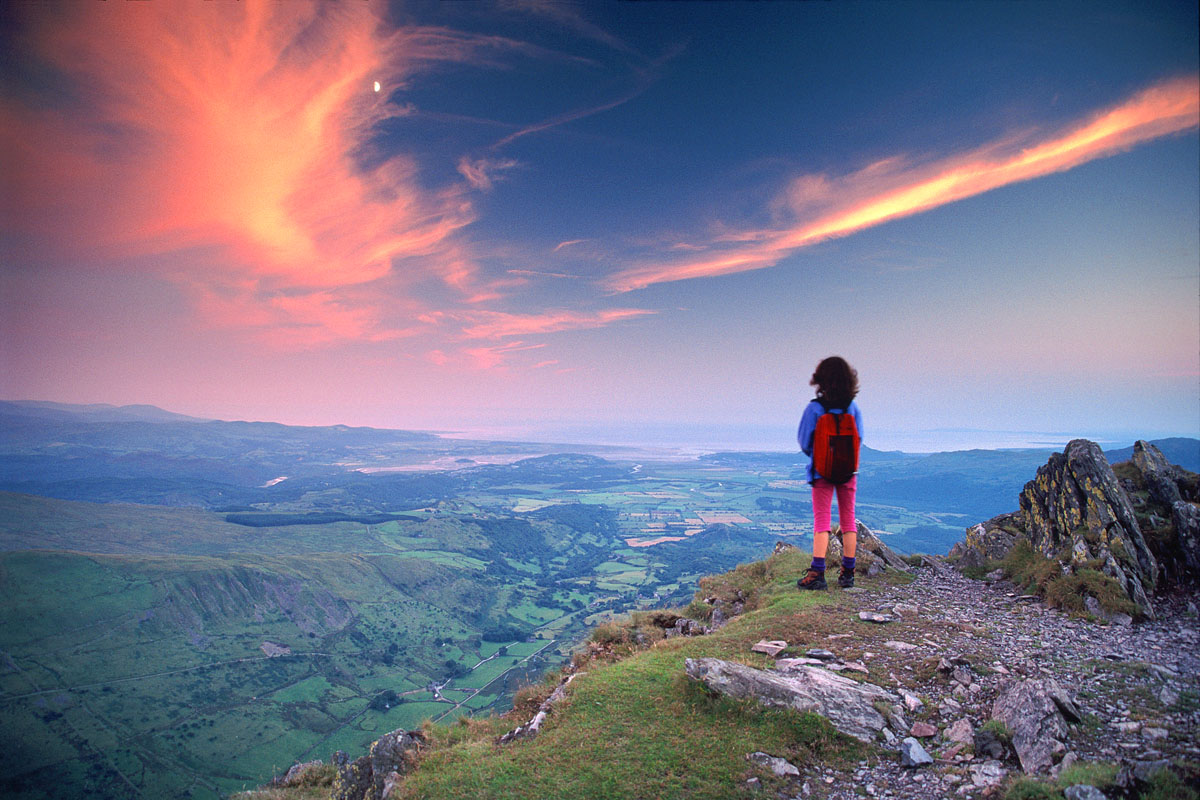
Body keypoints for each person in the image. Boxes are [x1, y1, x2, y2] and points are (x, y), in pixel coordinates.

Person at [796, 356, 862, 590]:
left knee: (822, 520)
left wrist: (821, 457)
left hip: (821, 473)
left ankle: (817, 573)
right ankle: (848, 573)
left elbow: (804, 442)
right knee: (848, 520)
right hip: (848, 472)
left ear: (820, 380)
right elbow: (859, 438)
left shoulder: (814, 408)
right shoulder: (852, 408)